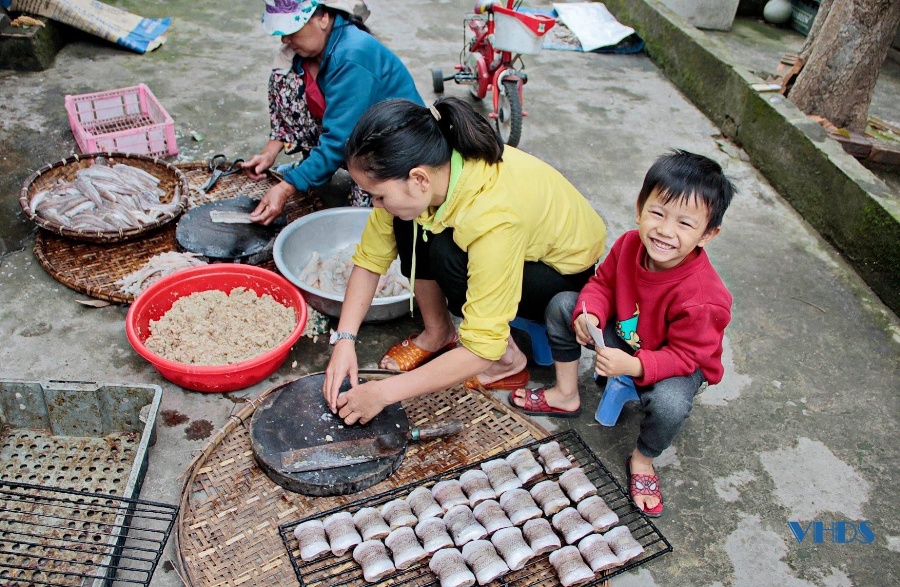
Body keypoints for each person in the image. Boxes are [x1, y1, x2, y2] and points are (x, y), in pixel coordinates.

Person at [322, 96, 608, 427]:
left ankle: (509, 362)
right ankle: (439, 332)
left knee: (444, 251)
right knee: (407, 222)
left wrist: (383, 393)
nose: (376, 204)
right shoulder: (438, 169)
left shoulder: (492, 216)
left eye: (379, 195)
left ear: (418, 179)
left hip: (561, 276)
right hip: (518, 249)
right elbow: (371, 258)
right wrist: (345, 341)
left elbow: (482, 347)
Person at [510, 150, 735, 518]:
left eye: (685, 224)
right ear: (639, 208)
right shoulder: (630, 243)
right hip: (626, 338)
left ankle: (643, 459)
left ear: (708, 234)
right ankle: (566, 393)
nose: (665, 231)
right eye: (657, 213)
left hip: (675, 363)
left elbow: (686, 357)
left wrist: (632, 365)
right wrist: (590, 313)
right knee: (564, 305)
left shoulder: (704, 298)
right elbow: (602, 284)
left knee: (671, 405)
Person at [244, 0, 423, 223]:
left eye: (292, 30)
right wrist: (269, 152)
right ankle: (314, 167)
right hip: (359, 133)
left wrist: (286, 187)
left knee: (368, 221)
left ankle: (344, 177)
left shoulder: (353, 53)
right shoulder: (311, 51)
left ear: (323, 18)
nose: (285, 39)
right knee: (286, 74)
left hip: (397, 145)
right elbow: (293, 109)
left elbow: (340, 139)